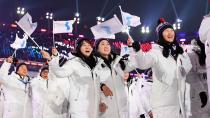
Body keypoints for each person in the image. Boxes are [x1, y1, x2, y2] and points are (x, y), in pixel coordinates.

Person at [129, 18, 192, 118]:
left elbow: (188, 66)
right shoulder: (156, 52)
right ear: (161, 35)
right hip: (163, 104)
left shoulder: (179, 51)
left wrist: (182, 69)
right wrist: (137, 51)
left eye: (172, 30)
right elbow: (143, 63)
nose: (170, 33)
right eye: (166, 31)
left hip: (179, 101)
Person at [41, 38, 104, 118]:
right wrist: (51, 59)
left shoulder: (97, 64)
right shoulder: (73, 63)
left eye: (89, 45)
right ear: (79, 48)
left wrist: (101, 101)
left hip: (95, 106)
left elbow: (98, 85)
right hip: (79, 108)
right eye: (84, 45)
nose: (87, 47)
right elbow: (59, 73)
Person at [94, 38, 136, 118]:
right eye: (102, 44)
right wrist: (101, 87)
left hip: (122, 106)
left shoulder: (119, 62)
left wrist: (131, 47)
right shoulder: (94, 64)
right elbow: (90, 82)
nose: (106, 46)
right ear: (97, 49)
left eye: (108, 44)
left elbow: (133, 64)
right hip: (106, 106)